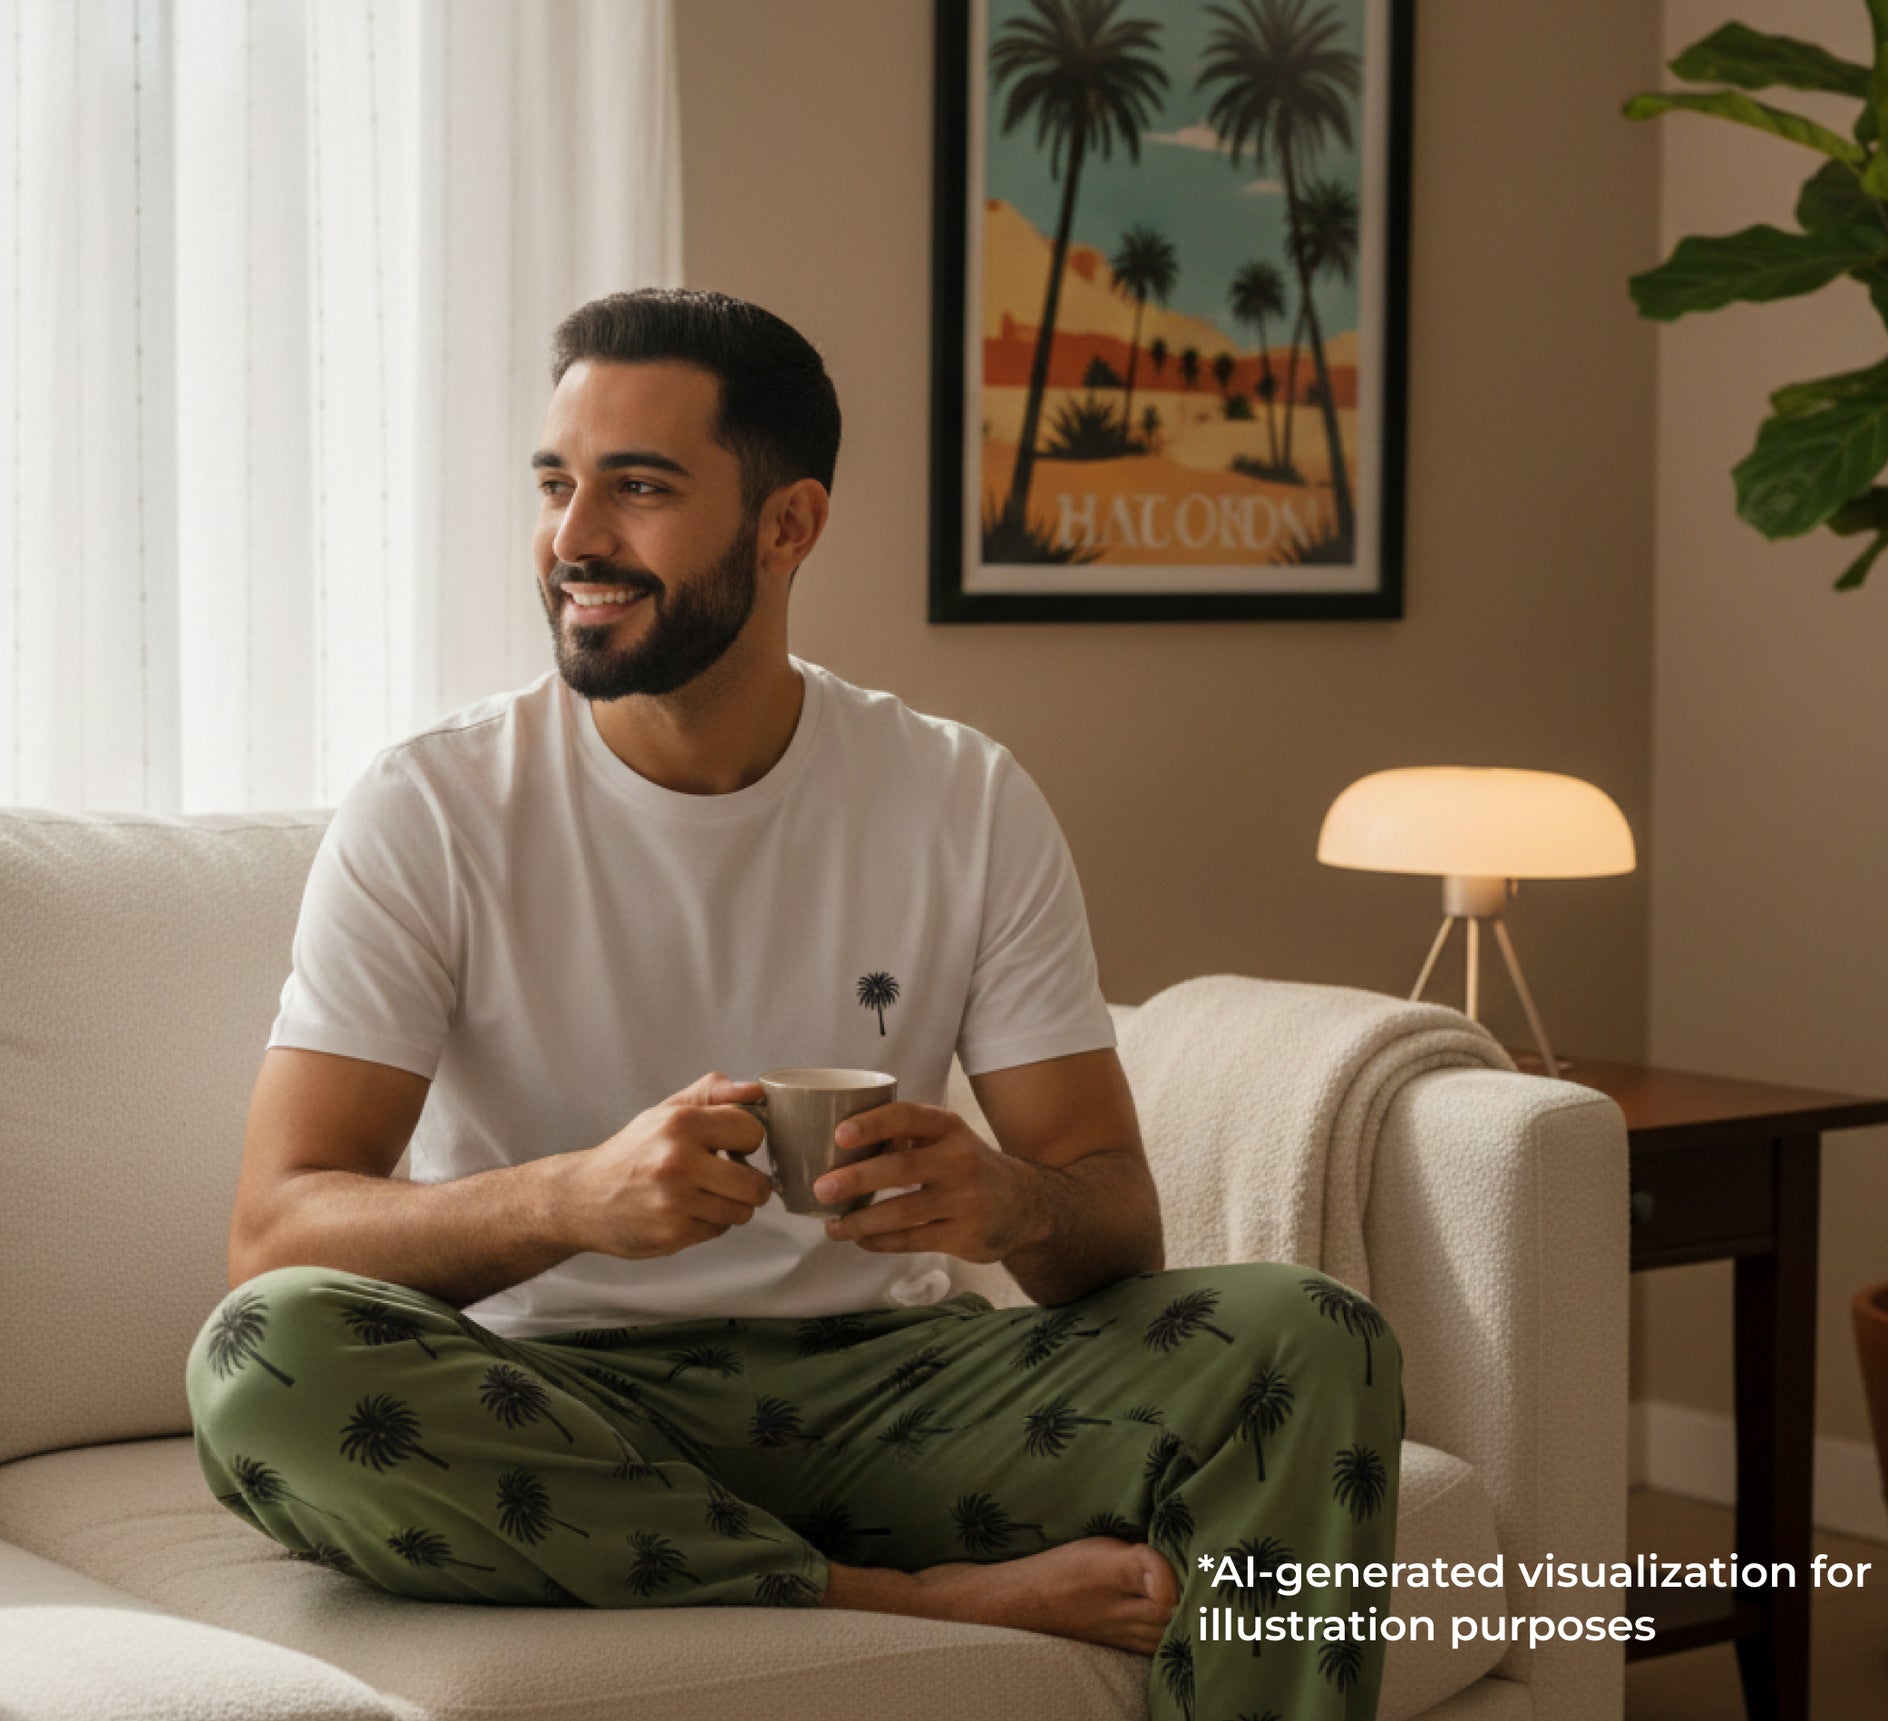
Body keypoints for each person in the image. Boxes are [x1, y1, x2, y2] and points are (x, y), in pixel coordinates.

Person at [186, 288, 1403, 1720]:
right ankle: (887, 1595)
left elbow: (1114, 1221)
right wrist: (570, 1199)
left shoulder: (960, 796)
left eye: (639, 488)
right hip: (553, 1402)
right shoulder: (433, 807)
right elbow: (276, 1233)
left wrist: (1006, 1202)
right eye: (556, 483)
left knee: (1311, 1335)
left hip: (894, 1388)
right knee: (265, 1362)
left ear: (789, 526)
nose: (574, 537)